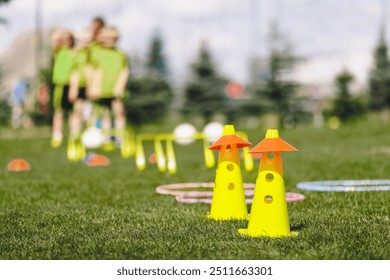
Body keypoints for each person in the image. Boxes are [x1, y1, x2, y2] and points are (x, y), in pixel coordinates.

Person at [88, 26, 130, 154]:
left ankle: (119, 137)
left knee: (119, 112)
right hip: (100, 89)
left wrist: (120, 86)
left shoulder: (120, 53)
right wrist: (92, 87)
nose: (110, 40)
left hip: (116, 88)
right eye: (107, 37)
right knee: (104, 113)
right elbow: (91, 70)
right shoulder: (95, 52)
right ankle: (106, 138)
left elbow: (124, 71)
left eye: (113, 38)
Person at [50, 29, 76, 148]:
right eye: (64, 39)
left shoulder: (74, 53)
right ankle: (57, 135)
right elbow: (54, 39)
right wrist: (61, 31)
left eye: (68, 39)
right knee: (58, 112)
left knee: (72, 112)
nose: (66, 41)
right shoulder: (58, 51)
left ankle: (73, 136)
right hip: (59, 85)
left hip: (70, 85)